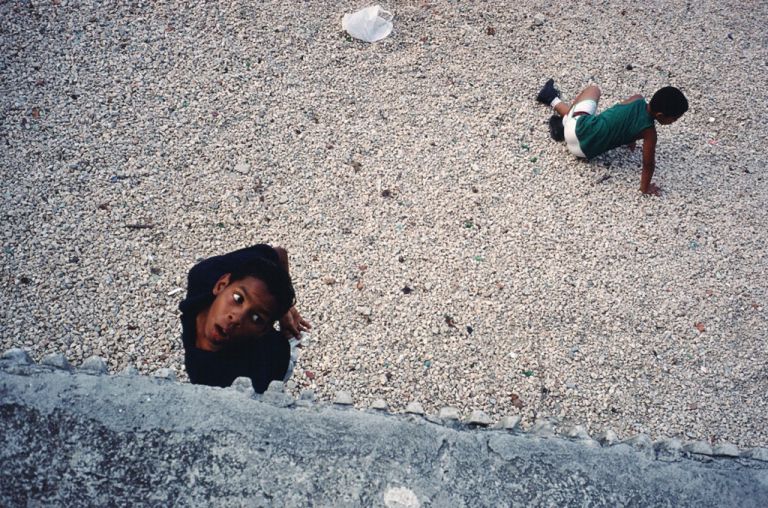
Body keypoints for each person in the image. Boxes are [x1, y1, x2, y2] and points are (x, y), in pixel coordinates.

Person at [179, 244, 311, 393]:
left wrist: (281, 309)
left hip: (278, 359)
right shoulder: (204, 276)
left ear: (263, 330)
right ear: (221, 285)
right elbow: (278, 253)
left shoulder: (238, 378)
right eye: (238, 298)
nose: (237, 318)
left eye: (256, 318)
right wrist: (284, 311)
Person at [536, 79, 688, 195]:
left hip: (575, 128)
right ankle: (555, 108)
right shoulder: (649, 133)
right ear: (661, 115)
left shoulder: (637, 98)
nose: (673, 122)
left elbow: (618, 117)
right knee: (585, 114)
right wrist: (645, 188)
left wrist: (632, 138)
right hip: (583, 152)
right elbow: (648, 164)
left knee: (593, 90)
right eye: (674, 119)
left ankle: (559, 113)